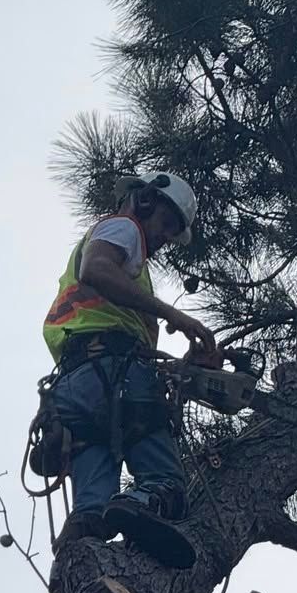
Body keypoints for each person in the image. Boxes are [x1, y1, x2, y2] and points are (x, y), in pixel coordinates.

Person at [41, 171, 220, 568]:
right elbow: (97, 270)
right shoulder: (124, 229)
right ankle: (143, 501)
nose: (163, 239)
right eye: (165, 225)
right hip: (113, 375)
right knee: (166, 485)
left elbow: (116, 322)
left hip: (77, 384)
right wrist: (176, 315)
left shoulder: (127, 264)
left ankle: (73, 566)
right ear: (144, 201)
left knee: (91, 510)